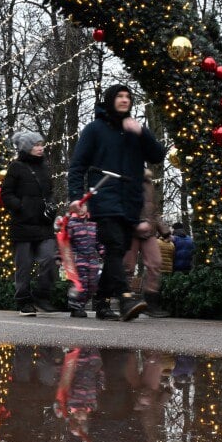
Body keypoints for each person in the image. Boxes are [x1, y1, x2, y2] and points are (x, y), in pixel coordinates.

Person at [68, 84, 166, 321]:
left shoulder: (135, 130)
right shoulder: (94, 130)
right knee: (113, 246)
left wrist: (143, 132)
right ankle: (125, 297)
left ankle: (101, 302)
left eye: (128, 97)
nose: (124, 100)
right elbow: (77, 165)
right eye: (120, 96)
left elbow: (157, 156)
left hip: (130, 199)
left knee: (119, 252)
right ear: (110, 100)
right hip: (104, 194)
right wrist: (75, 198)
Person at [0, 130, 57, 316]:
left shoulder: (45, 168)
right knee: (23, 266)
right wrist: (21, 206)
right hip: (23, 224)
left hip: (43, 223)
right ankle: (24, 301)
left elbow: (49, 192)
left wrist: (52, 207)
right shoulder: (16, 167)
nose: (40, 148)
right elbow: (6, 194)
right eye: (36, 145)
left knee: (49, 258)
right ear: (26, 148)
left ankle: (42, 294)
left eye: (41, 144)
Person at [122, 169, 171, 317]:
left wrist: (165, 231)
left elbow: (153, 210)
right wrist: (135, 222)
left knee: (156, 263)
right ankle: (126, 301)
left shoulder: (149, 183)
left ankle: (151, 302)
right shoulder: (125, 177)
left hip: (148, 230)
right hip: (130, 229)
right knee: (127, 267)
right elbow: (123, 204)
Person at [54, 347, 104, 442]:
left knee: (80, 356)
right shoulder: (92, 405)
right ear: (87, 418)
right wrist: (100, 374)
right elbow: (98, 385)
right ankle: (90, 345)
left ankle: (78, 347)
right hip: (91, 370)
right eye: (82, 420)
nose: (79, 417)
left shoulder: (68, 404)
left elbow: (62, 383)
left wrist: (60, 365)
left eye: (76, 419)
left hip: (76, 367)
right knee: (96, 362)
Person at [65, 211, 104, 318]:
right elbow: (65, 241)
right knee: (80, 283)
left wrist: (102, 251)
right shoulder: (71, 224)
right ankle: (76, 306)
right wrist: (61, 256)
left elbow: (98, 241)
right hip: (78, 258)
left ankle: (82, 303)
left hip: (92, 259)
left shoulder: (93, 223)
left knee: (93, 283)